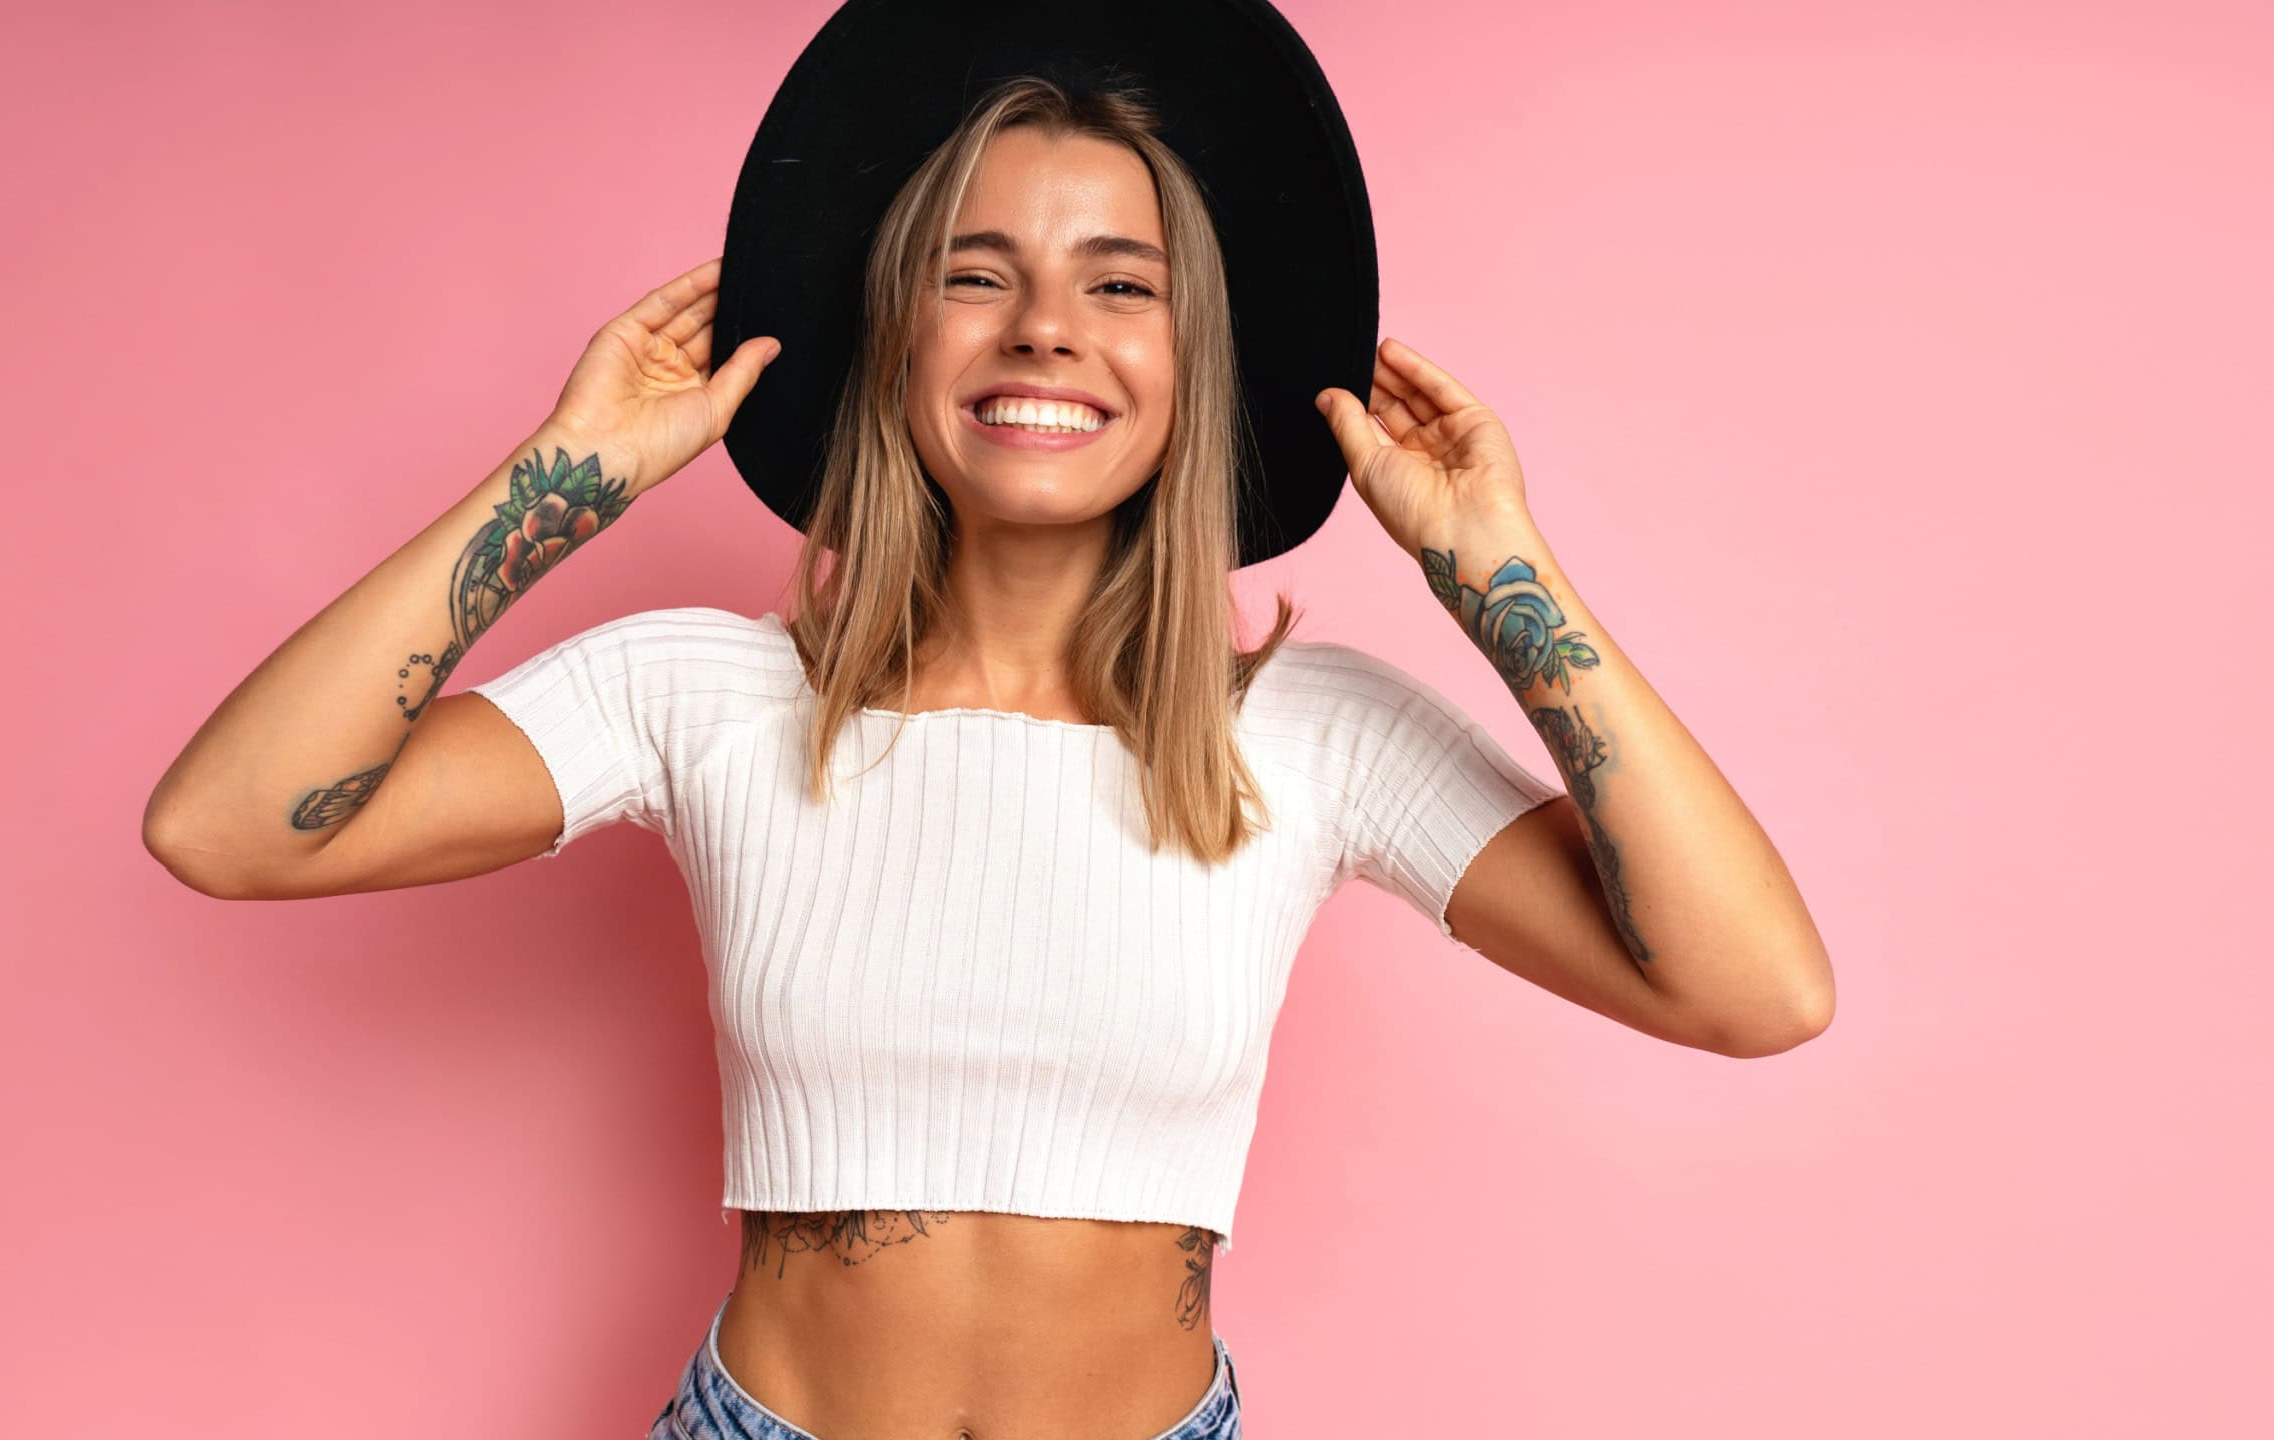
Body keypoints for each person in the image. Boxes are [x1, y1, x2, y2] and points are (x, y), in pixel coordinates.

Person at [142, 5, 1834, 1437]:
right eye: (979, 272)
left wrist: (1499, 572)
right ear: (897, 339)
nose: (1045, 327)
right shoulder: (705, 694)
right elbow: (225, 822)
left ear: (1195, 362)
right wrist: (560, 480)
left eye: (1122, 285)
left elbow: (1754, 989)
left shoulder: (1308, 737)